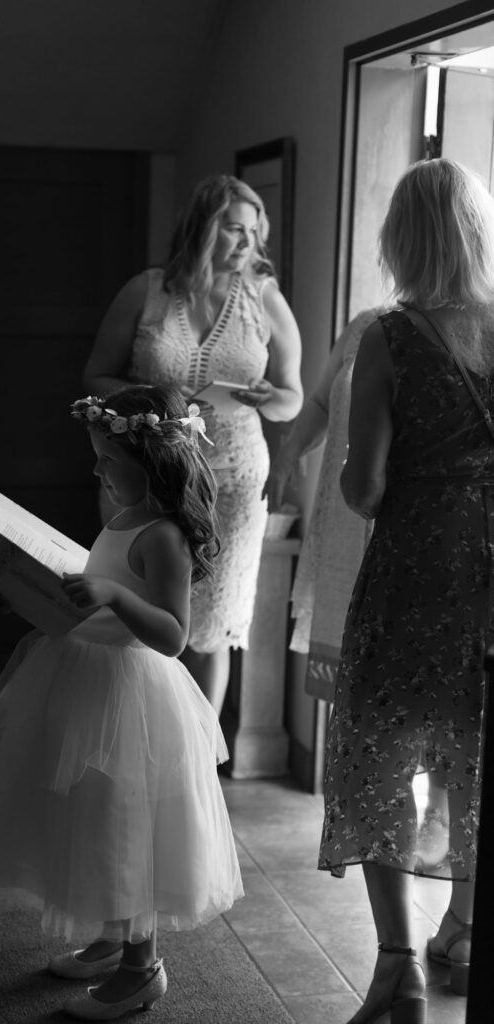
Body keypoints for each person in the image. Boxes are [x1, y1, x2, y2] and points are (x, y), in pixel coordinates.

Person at [0, 384, 243, 1021]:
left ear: (149, 463)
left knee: (125, 821)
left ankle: (143, 969)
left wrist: (111, 597)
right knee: (94, 815)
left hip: (133, 695)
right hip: (86, 678)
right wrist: (28, 593)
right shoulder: (122, 519)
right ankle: (116, 938)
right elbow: (94, 597)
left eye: (106, 460)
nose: (95, 470)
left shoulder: (163, 536)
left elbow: (173, 635)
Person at [318, 157, 493, 1024]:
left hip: (416, 572)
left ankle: (399, 967)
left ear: (400, 238)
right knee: (476, 745)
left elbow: (366, 488)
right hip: (491, 574)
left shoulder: (391, 336)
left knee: (377, 747)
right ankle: (462, 927)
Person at [83, 174, 303, 714]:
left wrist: (269, 394)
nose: (247, 243)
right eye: (233, 229)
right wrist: (162, 398)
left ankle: (196, 764)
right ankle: (139, 740)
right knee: (139, 605)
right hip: (146, 477)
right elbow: (95, 377)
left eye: (254, 232)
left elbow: (293, 399)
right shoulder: (147, 291)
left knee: (210, 624)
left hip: (232, 478)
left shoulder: (265, 300)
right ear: (202, 228)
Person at [266, 308, 382, 699]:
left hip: (394, 522)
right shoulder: (368, 323)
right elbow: (320, 403)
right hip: (341, 518)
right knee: (343, 689)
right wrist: (287, 456)